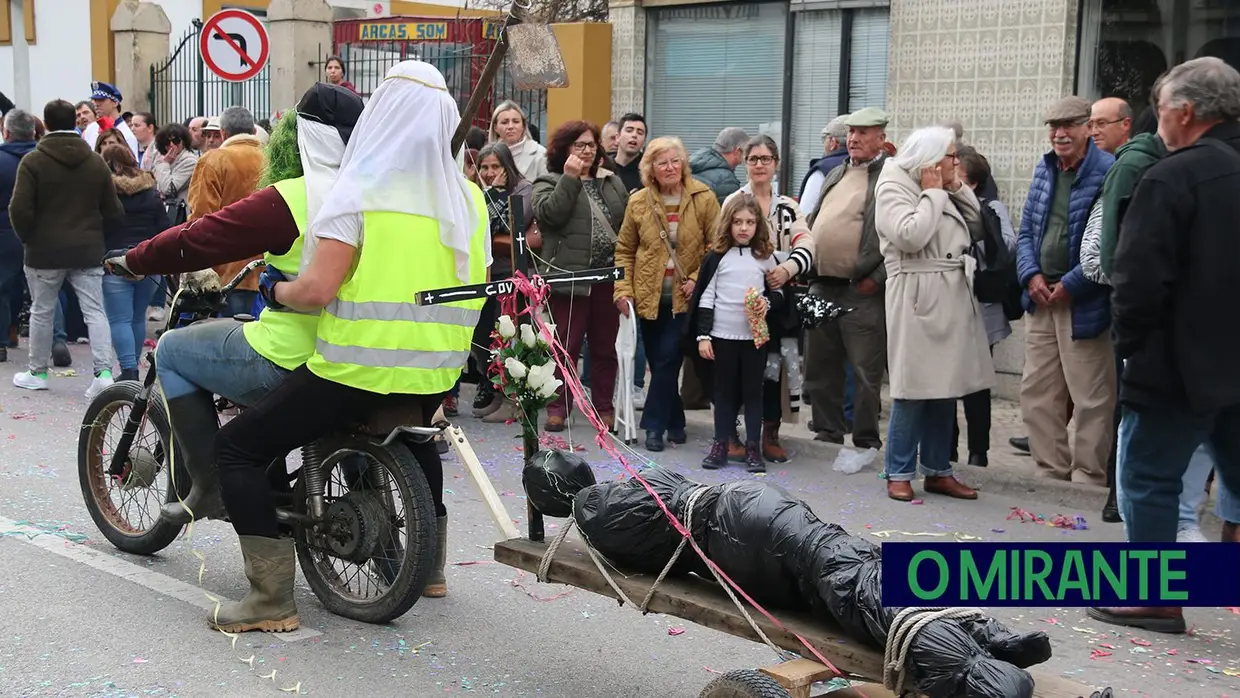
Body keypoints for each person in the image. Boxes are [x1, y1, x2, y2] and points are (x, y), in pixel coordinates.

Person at [204, 61, 488, 633]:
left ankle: (268, 600)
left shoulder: (361, 192)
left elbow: (314, 292)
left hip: (354, 369)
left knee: (237, 448)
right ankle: (427, 568)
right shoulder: (469, 199)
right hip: (435, 375)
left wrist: (273, 288)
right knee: (409, 435)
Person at [106, 83, 365, 527]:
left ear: (300, 137)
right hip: (364, 351)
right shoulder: (381, 195)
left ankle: (207, 487)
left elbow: (201, 235)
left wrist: (135, 259)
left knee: (170, 349)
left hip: (294, 353)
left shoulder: (296, 196)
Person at [1090, 56, 1240, 634]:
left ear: (1185, 111)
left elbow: (1139, 278)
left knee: (1150, 478)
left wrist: (1132, 348)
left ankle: (1155, 597)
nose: (1158, 121)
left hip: (1176, 365)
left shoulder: (1172, 175)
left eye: (1161, 109)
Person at [875, 126, 991, 502]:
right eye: (950, 156)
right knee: (914, 387)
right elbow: (911, 235)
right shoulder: (893, 185)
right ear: (929, 160)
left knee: (946, 385)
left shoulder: (945, 186)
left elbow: (977, 225)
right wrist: (934, 193)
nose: (955, 162)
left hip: (950, 291)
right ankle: (898, 469)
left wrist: (955, 187)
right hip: (916, 292)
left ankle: (938, 469)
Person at [1016, 96, 1115, 488]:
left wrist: (1071, 284)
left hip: (1083, 300)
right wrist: (1031, 276)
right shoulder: (1045, 170)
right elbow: (1026, 233)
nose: (1060, 134)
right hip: (1041, 299)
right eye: (1054, 127)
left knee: (1091, 396)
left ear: (1089, 127)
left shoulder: (1108, 170)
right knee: (1038, 392)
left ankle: (1089, 478)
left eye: (1069, 125)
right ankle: (1049, 474)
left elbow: (1108, 243)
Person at [614, 137, 720, 452]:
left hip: (685, 299)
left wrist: (698, 280)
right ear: (651, 169)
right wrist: (623, 289)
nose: (670, 167)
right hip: (648, 297)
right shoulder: (639, 202)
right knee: (664, 361)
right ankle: (676, 422)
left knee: (668, 357)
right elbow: (624, 250)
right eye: (663, 163)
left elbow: (717, 246)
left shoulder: (703, 197)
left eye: (675, 161)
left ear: (684, 164)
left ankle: (654, 426)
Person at [11, 99, 122, 398]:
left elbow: (19, 209)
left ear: (45, 124)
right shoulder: (95, 162)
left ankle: (37, 371)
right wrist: (98, 238)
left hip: (43, 251)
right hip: (87, 250)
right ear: (74, 121)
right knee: (95, 312)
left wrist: (29, 238)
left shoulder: (34, 162)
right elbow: (113, 211)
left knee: (42, 311)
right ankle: (103, 373)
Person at [803, 107, 891, 451]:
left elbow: (896, 239)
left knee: (866, 371)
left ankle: (867, 439)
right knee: (820, 366)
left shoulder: (888, 177)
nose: (852, 139)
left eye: (862, 133)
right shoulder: (836, 173)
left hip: (862, 288)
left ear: (881, 138)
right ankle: (827, 432)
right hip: (821, 283)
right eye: (851, 132)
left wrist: (877, 278)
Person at [532, 121, 628, 432]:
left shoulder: (611, 182)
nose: (587, 150)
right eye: (579, 145)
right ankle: (558, 407)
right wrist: (571, 179)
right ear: (564, 150)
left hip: (607, 279)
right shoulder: (548, 181)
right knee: (566, 346)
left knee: (604, 347)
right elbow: (550, 216)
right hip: (569, 278)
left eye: (591, 145)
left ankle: (603, 407)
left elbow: (626, 222)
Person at [723, 135, 814, 463]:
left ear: (776, 163)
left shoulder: (789, 207)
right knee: (737, 368)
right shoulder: (734, 201)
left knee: (775, 369)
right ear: (744, 162)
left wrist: (787, 268)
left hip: (777, 301)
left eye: (766, 159)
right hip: (739, 300)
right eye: (753, 159)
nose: (759, 165)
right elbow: (722, 246)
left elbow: (806, 243)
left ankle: (770, 433)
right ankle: (731, 434)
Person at [692, 194, 777, 472]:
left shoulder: (765, 258)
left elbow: (777, 291)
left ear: (758, 225)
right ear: (728, 224)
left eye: (750, 222)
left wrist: (768, 303)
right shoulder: (717, 258)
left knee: (754, 393)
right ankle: (721, 443)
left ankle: (753, 447)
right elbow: (705, 297)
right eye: (738, 222)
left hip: (754, 339)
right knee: (723, 392)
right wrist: (703, 335)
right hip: (722, 337)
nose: (743, 228)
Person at [951, 147, 1017, 467]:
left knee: (976, 383)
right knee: (945, 383)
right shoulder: (939, 205)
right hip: (947, 305)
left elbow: (1006, 245)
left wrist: (977, 235)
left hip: (980, 307)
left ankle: (979, 451)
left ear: (973, 183)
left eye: (957, 173)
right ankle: (945, 448)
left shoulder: (992, 208)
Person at [473, 142, 534, 420]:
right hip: (485, 273)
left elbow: (506, 224)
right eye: (484, 167)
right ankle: (496, 392)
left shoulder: (523, 189)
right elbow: (476, 225)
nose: (488, 172)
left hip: (512, 273)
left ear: (507, 167)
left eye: (495, 166)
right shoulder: (477, 192)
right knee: (483, 335)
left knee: (508, 335)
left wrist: (495, 193)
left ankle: (514, 400)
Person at [188, 106, 266, 317]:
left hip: (227, 267)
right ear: (252, 130)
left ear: (223, 132)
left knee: (230, 338)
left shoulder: (213, 160)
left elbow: (201, 219)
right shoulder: (270, 158)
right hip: (269, 266)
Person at [98, 144, 167, 382]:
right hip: (147, 261)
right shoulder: (151, 192)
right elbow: (164, 228)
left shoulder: (105, 194)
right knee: (138, 318)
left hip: (114, 262)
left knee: (119, 319)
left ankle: (128, 370)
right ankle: (133, 365)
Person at [0, 109, 38, 363]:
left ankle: (3, 338)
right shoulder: (42, 157)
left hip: (4, 229)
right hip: (41, 228)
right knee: (43, 288)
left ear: (7, 132)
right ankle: (55, 339)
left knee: (3, 285)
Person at [800, 114, 851, 213]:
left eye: (824, 139)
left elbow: (805, 212)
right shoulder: (867, 164)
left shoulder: (823, 170)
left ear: (832, 142)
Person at [490, 100, 547, 182]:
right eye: (504, 122)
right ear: (495, 128)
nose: (510, 126)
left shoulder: (540, 154)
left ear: (523, 126)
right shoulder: (489, 154)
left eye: (516, 122)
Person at [690, 127, 748, 205]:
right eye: (745, 151)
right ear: (737, 151)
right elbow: (727, 215)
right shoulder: (727, 181)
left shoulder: (694, 162)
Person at [81, 82, 139, 159]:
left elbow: (131, 165)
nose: (96, 104)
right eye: (94, 100)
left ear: (115, 103)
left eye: (101, 100)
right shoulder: (91, 129)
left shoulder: (127, 134)